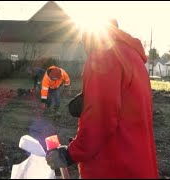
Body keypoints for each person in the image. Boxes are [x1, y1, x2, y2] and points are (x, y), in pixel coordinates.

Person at [45, 19, 159, 178]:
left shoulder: (104, 56)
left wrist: (70, 154)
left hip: (113, 166)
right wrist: (89, 99)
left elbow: (100, 122)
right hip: (137, 161)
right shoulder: (132, 56)